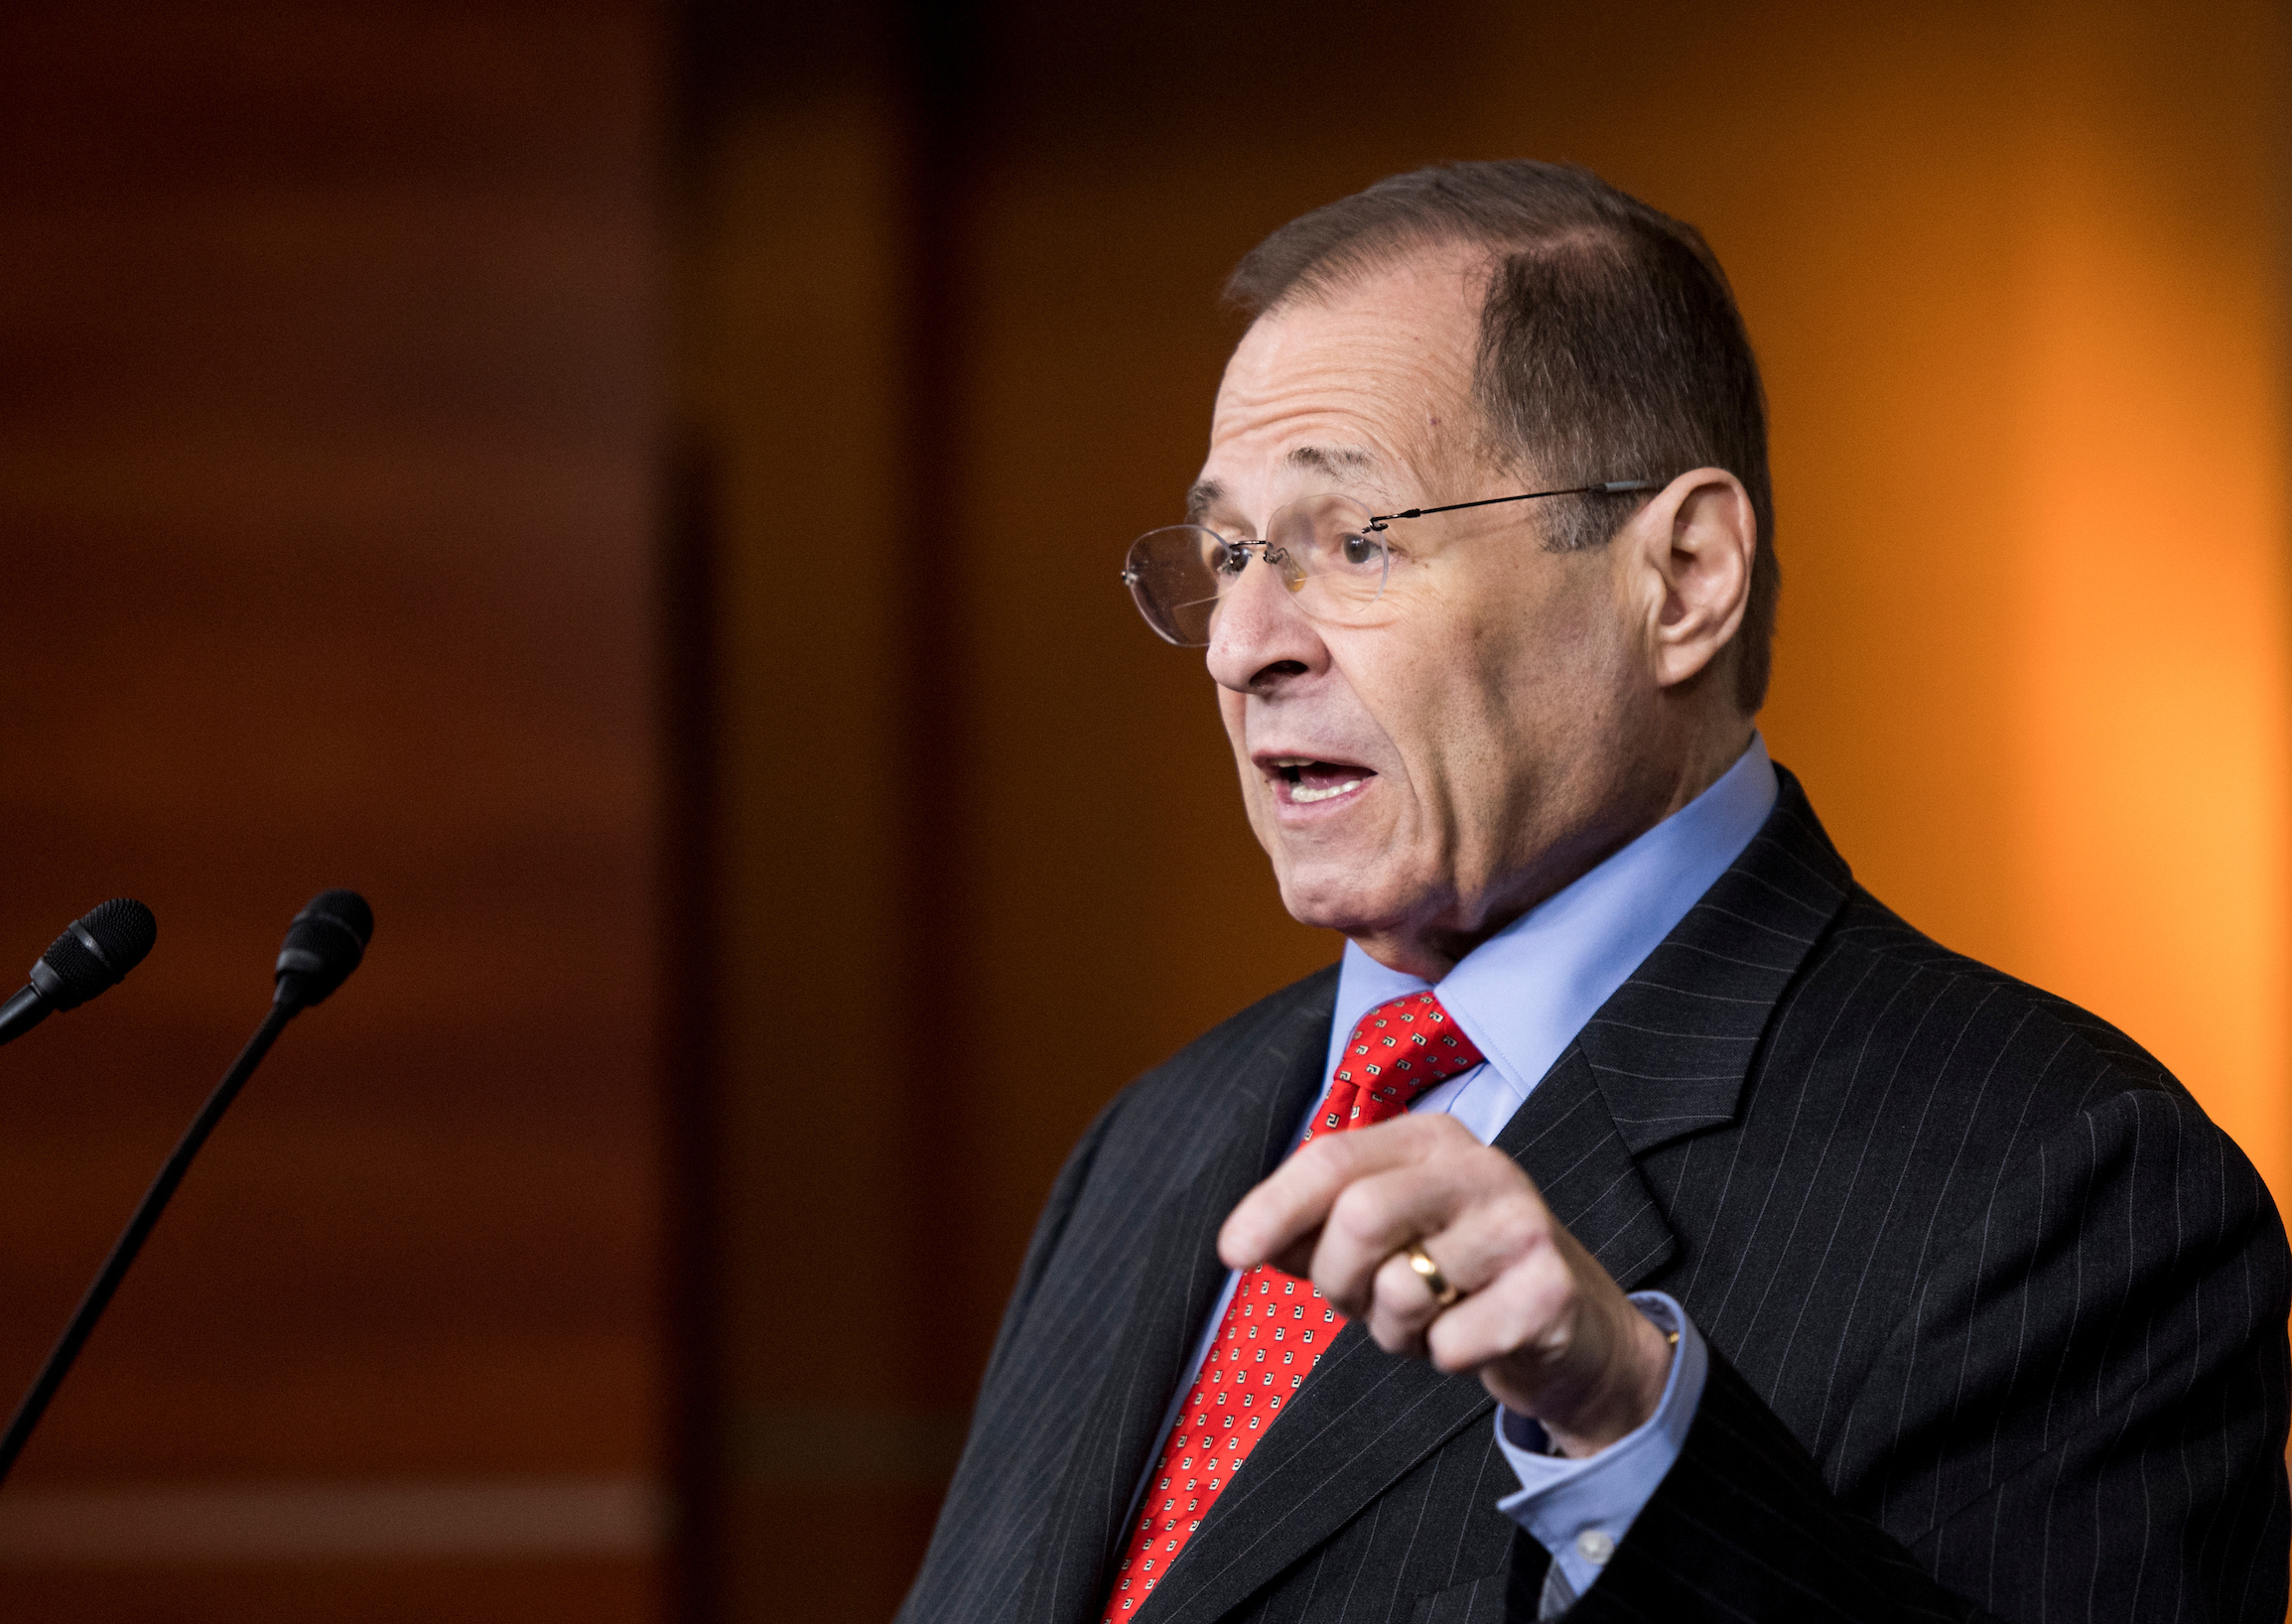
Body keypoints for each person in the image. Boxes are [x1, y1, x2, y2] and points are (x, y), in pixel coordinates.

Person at [894, 161, 2291, 1624]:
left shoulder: (2068, 1179)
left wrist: (1632, 1428)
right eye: (1231, 552)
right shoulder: (1160, 1140)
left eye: (1354, 541)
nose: (1243, 642)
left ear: (1682, 577)